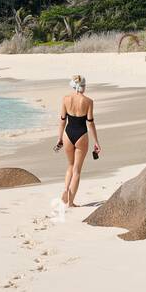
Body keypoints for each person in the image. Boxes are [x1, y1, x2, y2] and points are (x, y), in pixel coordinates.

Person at [55, 74, 100, 207]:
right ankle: (71, 202)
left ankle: (65, 190)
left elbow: (62, 120)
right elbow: (90, 123)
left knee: (70, 165)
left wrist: (59, 138)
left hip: (67, 134)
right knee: (77, 170)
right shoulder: (88, 101)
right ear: (83, 86)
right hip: (81, 135)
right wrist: (96, 141)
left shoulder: (65, 99)